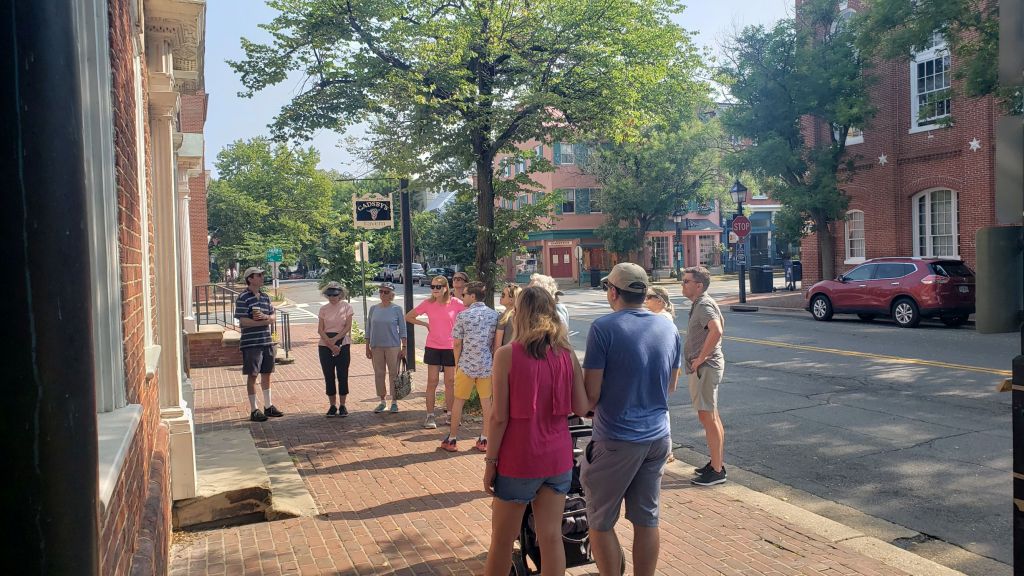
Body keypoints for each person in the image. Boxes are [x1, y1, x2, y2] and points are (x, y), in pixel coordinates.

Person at [581, 262, 681, 576]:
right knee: (647, 518)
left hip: (617, 437)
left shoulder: (604, 328)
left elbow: (591, 394)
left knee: (600, 521)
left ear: (613, 292)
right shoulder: (667, 327)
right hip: (657, 436)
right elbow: (671, 385)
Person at [483, 286, 589, 576]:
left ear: (519, 314)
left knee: (502, 541)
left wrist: (491, 461)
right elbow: (581, 406)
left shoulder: (506, 355)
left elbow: (499, 418)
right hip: (558, 458)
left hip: (519, 459)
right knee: (551, 536)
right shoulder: (566, 354)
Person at [681, 266, 728, 486]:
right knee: (711, 416)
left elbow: (717, 330)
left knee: (708, 417)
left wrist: (701, 358)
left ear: (698, 285)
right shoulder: (702, 303)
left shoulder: (704, 305)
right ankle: (716, 464)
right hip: (707, 367)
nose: (682, 284)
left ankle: (717, 471)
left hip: (705, 368)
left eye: (686, 281)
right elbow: (719, 326)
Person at [443, 281, 499, 452]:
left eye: (465, 294)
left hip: (466, 364)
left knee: (458, 401)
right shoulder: (494, 315)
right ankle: (485, 439)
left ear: (473, 296)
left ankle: (452, 439)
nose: (462, 297)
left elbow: (457, 343)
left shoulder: (463, 316)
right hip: (486, 364)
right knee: (486, 402)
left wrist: (457, 363)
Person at [406, 275, 465, 429]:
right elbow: (409, 316)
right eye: (432, 287)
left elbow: (468, 316)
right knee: (432, 381)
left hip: (450, 347)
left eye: (438, 287)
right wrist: (425, 324)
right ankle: (430, 415)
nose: (435, 289)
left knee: (450, 382)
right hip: (433, 346)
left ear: (445, 288)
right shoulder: (428, 303)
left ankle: (451, 415)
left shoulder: (456, 303)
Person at [233, 267, 284, 422]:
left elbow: (273, 316)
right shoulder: (243, 297)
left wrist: (266, 318)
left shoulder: (265, 297)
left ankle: (268, 406)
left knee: (267, 373)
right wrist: (263, 321)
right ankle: (254, 409)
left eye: (262, 275)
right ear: (250, 278)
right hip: (251, 343)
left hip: (266, 340)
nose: (262, 277)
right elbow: (243, 322)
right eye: (258, 275)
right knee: (253, 375)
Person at [366, 282, 407, 413]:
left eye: (386, 292)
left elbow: (403, 329)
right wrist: (367, 346)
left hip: (393, 346)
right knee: (379, 373)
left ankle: (394, 401)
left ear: (391, 295)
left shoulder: (397, 309)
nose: (383, 294)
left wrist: (404, 347)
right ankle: (382, 401)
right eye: (381, 291)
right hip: (376, 346)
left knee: (394, 374)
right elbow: (368, 328)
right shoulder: (373, 309)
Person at [317, 281, 353, 417]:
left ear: (340, 295)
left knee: (343, 375)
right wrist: (330, 344)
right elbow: (320, 329)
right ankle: (332, 405)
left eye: (335, 295)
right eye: (330, 295)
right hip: (325, 344)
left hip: (342, 342)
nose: (332, 297)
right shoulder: (323, 309)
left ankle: (343, 405)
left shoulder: (347, 307)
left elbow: (347, 326)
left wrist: (336, 340)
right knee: (329, 375)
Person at [493, 283, 522, 349]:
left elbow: (497, 345)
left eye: (503, 295)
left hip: (507, 353)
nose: (500, 297)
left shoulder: (503, 317)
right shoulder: (524, 315)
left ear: (511, 299)